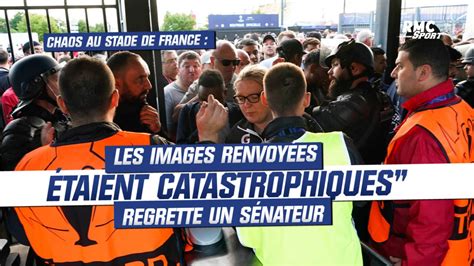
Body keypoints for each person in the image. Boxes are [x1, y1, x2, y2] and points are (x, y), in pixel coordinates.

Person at [12, 56, 227, 265]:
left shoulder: (26, 169)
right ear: (114, 98)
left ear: (63, 104)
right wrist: (208, 142)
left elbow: (23, 234)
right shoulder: (153, 150)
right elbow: (206, 234)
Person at [236, 62, 363, 265]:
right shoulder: (339, 144)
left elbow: (249, 238)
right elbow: (362, 201)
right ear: (306, 100)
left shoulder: (246, 164)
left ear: (265, 99)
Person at [368, 39, 474, 265]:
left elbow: (432, 218)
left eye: (400, 66)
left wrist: (412, 261)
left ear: (423, 72)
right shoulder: (461, 109)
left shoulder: (424, 134)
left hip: (415, 253)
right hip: (461, 247)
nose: (394, 73)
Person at [312, 40, 393, 165]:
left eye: (335, 65)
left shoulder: (353, 102)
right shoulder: (380, 97)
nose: (329, 72)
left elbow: (309, 123)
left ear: (354, 69)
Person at [0, 54, 68, 171]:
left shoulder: (58, 116)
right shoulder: (20, 130)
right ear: (36, 86)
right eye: (57, 79)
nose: (63, 85)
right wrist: (43, 152)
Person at [107, 51, 162, 134]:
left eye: (147, 77)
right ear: (116, 83)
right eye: (140, 79)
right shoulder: (102, 120)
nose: (149, 86)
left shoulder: (143, 112)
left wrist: (157, 131)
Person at [225, 65, 272, 143]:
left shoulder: (292, 129)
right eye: (241, 98)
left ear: (270, 95)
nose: (247, 105)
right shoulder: (236, 135)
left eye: (253, 97)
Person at [163, 51, 202, 140]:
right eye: (186, 66)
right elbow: (168, 130)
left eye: (196, 66)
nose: (192, 70)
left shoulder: (207, 88)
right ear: (178, 69)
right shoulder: (168, 93)